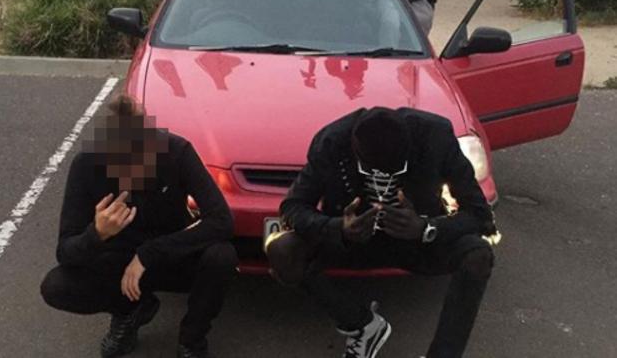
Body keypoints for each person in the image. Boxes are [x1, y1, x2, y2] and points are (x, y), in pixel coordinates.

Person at [266, 107, 496, 358]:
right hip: (351, 243)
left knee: (478, 256)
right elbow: (292, 207)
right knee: (282, 250)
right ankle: (361, 324)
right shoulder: (333, 141)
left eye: (395, 171)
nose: (384, 176)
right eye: (371, 170)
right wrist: (339, 228)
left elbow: (479, 214)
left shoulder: (435, 136)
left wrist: (426, 228)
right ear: (354, 151)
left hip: (416, 243)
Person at [40, 94, 237, 358]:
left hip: (170, 255)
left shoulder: (176, 152)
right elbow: (65, 252)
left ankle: (191, 340)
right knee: (56, 286)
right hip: (117, 262)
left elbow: (221, 220)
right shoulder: (86, 165)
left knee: (221, 256)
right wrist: (96, 234)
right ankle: (128, 312)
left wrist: (149, 253)